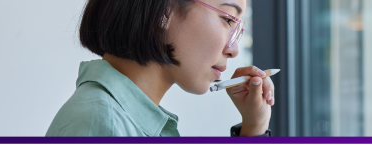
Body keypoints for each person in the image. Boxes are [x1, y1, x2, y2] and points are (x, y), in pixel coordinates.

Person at [46, 0, 274, 137]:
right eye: (228, 20)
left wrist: (255, 126)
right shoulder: (102, 123)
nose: (233, 49)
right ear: (165, 11)